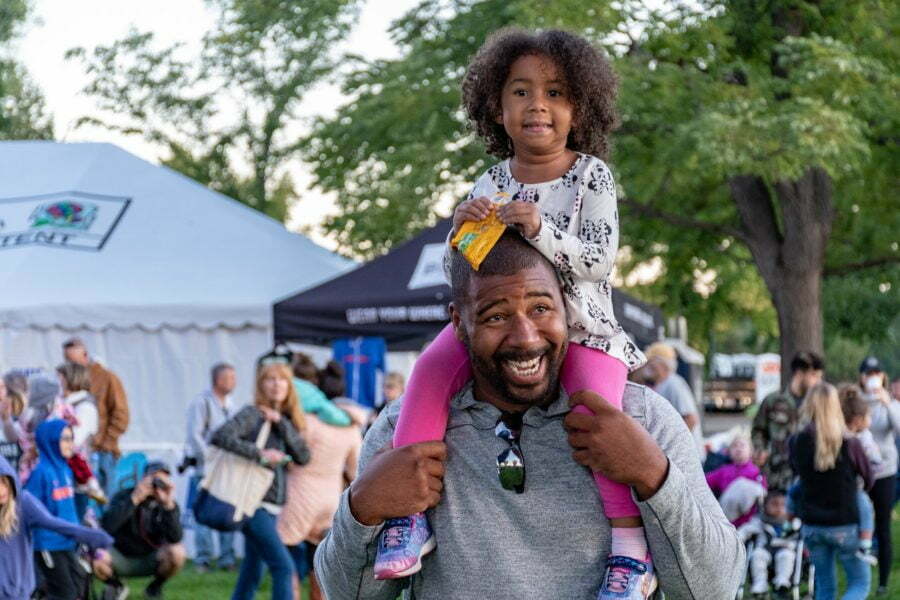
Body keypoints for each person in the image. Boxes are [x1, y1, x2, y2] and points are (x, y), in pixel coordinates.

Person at [374, 29, 656, 598]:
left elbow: (600, 261)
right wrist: (462, 230)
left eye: (555, 93)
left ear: (579, 107)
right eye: (521, 92)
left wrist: (540, 229)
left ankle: (629, 551)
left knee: (599, 414)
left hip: (582, 330)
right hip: (500, 325)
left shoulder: (590, 177)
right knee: (429, 371)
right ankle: (408, 517)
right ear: (496, 110)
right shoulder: (492, 180)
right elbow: (473, 268)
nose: (538, 106)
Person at [315, 229, 744, 599]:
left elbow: (715, 590)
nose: (525, 337)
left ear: (567, 308)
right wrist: (363, 509)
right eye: (496, 315)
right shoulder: (403, 429)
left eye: (541, 308)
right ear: (459, 324)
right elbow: (346, 593)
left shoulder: (641, 418)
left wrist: (654, 476)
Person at [211, 363, 311, 600]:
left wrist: (281, 423)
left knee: (252, 570)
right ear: (261, 385)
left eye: (282, 380)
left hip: (271, 504)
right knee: (283, 567)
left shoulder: (286, 420)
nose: (277, 384)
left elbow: (304, 457)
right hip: (252, 502)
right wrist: (260, 454)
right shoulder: (252, 414)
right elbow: (220, 436)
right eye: (270, 379)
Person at [275, 361, 363, 600]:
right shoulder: (351, 427)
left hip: (296, 499)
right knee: (321, 568)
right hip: (330, 501)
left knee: (287, 566)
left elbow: (291, 460)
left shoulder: (304, 423)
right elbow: (356, 471)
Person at [790, 382, 873, 600]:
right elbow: (870, 477)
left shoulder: (797, 441)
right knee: (859, 583)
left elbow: (797, 475)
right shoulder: (850, 443)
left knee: (825, 587)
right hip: (844, 523)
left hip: (812, 524)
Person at [0, 455, 112, 600]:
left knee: (71, 590)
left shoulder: (23, 504)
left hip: (20, 591)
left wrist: (94, 537)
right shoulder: (42, 473)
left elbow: (55, 524)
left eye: (4, 482)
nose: (1, 490)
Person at [94, 461, 185, 600]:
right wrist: (134, 499)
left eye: (162, 480)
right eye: (154, 479)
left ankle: (154, 588)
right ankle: (116, 586)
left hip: (151, 558)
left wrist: (167, 505)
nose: (156, 484)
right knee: (96, 556)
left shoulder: (168, 504)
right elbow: (107, 528)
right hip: (121, 556)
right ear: (143, 478)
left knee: (178, 552)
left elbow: (176, 538)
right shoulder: (124, 496)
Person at [24, 419, 87, 600]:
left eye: (71, 438)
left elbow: (69, 511)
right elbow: (29, 508)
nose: (70, 444)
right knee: (64, 593)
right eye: (65, 439)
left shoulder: (65, 470)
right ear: (51, 441)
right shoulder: (41, 473)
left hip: (66, 542)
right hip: (48, 544)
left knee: (79, 583)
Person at [184, 362, 238, 572]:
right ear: (218, 380)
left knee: (227, 512)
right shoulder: (202, 403)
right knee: (204, 514)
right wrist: (208, 459)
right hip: (206, 468)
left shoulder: (231, 405)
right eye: (230, 378)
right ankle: (203, 558)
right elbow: (194, 435)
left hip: (227, 467)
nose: (234, 382)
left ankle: (227, 558)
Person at [63, 338, 130, 498]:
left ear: (85, 356)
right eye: (66, 360)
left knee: (105, 503)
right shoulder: (70, 381)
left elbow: (121, 414)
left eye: (72, 360)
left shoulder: (107, 378)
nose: (69, 364)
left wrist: (106, 443)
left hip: (102, 452)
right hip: (78, 454)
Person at [752, 351, 824, 492]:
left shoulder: (819, 405)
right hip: (777, 478)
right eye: (814, 376)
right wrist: (760, 450)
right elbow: (758, 430)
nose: (818, 382)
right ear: (800, 374)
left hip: (809, 478)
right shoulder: (772, 401)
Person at [857, 356, 899, 594]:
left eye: (876, 373)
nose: (872, 378)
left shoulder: (890, 403)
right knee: (859, 524)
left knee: (882, 525)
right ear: (862, 378)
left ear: (882, 377)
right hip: (860, 474)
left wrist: (888, 403)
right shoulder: (857, 402)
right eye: (868, 374)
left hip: (885, 471)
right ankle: (860, 576)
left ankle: (882, 582)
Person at [55, 362, 106, 518]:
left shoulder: (85, 407)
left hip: (78, 476)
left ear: (70, 379)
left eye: (60, 378)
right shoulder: (62, 404)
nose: (57, 382)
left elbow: (74, 440)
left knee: (77, 516)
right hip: (64, 472)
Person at [737, 491, 802, 599]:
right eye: (774, 504)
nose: (779, 508)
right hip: (764, 549)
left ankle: (782, 582)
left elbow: (802, 530)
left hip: (785, 549)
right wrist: (737, 538)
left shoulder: (792, 522)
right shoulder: (759, 521)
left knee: (786, 556)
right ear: (765, 506)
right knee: (757, 555)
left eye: (783, 505)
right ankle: (760, 584)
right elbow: (744, 531)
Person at [643, 343, 702, 450]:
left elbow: (691, 419)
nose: (647, 366)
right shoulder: (658, 383)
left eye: (651, 362)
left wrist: (668, 444)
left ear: (664, 365)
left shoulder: (674, 383)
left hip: (686, 455)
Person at [705, 434, 767, 526]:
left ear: (750, 451)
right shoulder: (723, 471)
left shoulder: (756, 473)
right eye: (734, 446)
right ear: (729, 452)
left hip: (748, 525)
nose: (738, 448)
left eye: (742, 445)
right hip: (726, 523)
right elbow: (703, 481)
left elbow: (762, 495)